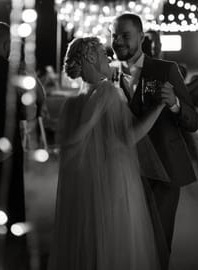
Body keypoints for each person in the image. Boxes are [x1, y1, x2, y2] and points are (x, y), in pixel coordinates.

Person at [48, 36, 169, 270]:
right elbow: (128, 138)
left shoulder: (72, 104)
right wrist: (159, 107)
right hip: (113, 186)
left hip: (84, 193)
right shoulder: (107, 93)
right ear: (91, 58)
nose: (109, 57)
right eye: (104, 54)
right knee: (115, 248)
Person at [111, 13, 198, 266]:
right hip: (126, 172)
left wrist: (174, 104)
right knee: (129, 239)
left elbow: (194, 121)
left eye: (125, 35)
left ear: (141, 37)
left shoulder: (165, 70)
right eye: (114, 35)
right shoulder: (111, 76)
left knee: (158, 242)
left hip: (165, 171)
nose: (118, 41)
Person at [0, 22, 35, 269]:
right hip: (6, 162)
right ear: (6, 45)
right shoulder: (13, 74)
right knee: (11, 227)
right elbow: (34, 110)